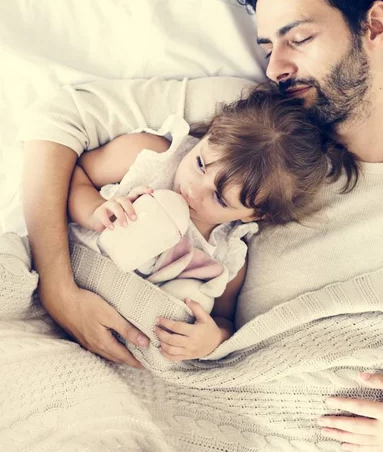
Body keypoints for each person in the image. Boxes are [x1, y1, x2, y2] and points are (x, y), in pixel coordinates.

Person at [20, 0, 383, 449]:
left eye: (300, 37)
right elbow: (59, 120)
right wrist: (60, 288)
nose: (276, 66)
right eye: (267, 45)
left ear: (374, 25)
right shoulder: (250, 120)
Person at [67, 86, 357, 360]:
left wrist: (210, 339)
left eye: (219, 198)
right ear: (211, 132)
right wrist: (94, 210)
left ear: (253, 215)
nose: (193, 189)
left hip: (124, 331)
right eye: (200, 164)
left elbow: (223, 319)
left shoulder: (225, 253)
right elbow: (74, 175)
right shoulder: (152, 158)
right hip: (69, 274)